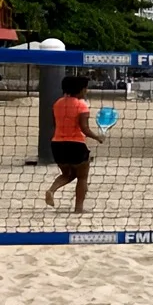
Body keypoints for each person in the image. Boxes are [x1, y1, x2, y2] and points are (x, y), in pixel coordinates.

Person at [44, 75, 105, 213]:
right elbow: (84, 128)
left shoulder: (57, 103)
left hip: (57, 145)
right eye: (86, 88)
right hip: (76, 145)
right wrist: (98, 137)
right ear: (81, 89)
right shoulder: (81, 105)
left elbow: (55, 124)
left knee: (68, 174)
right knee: (82, 177)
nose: (86, 91)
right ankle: (79, 208)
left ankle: (51, 190)